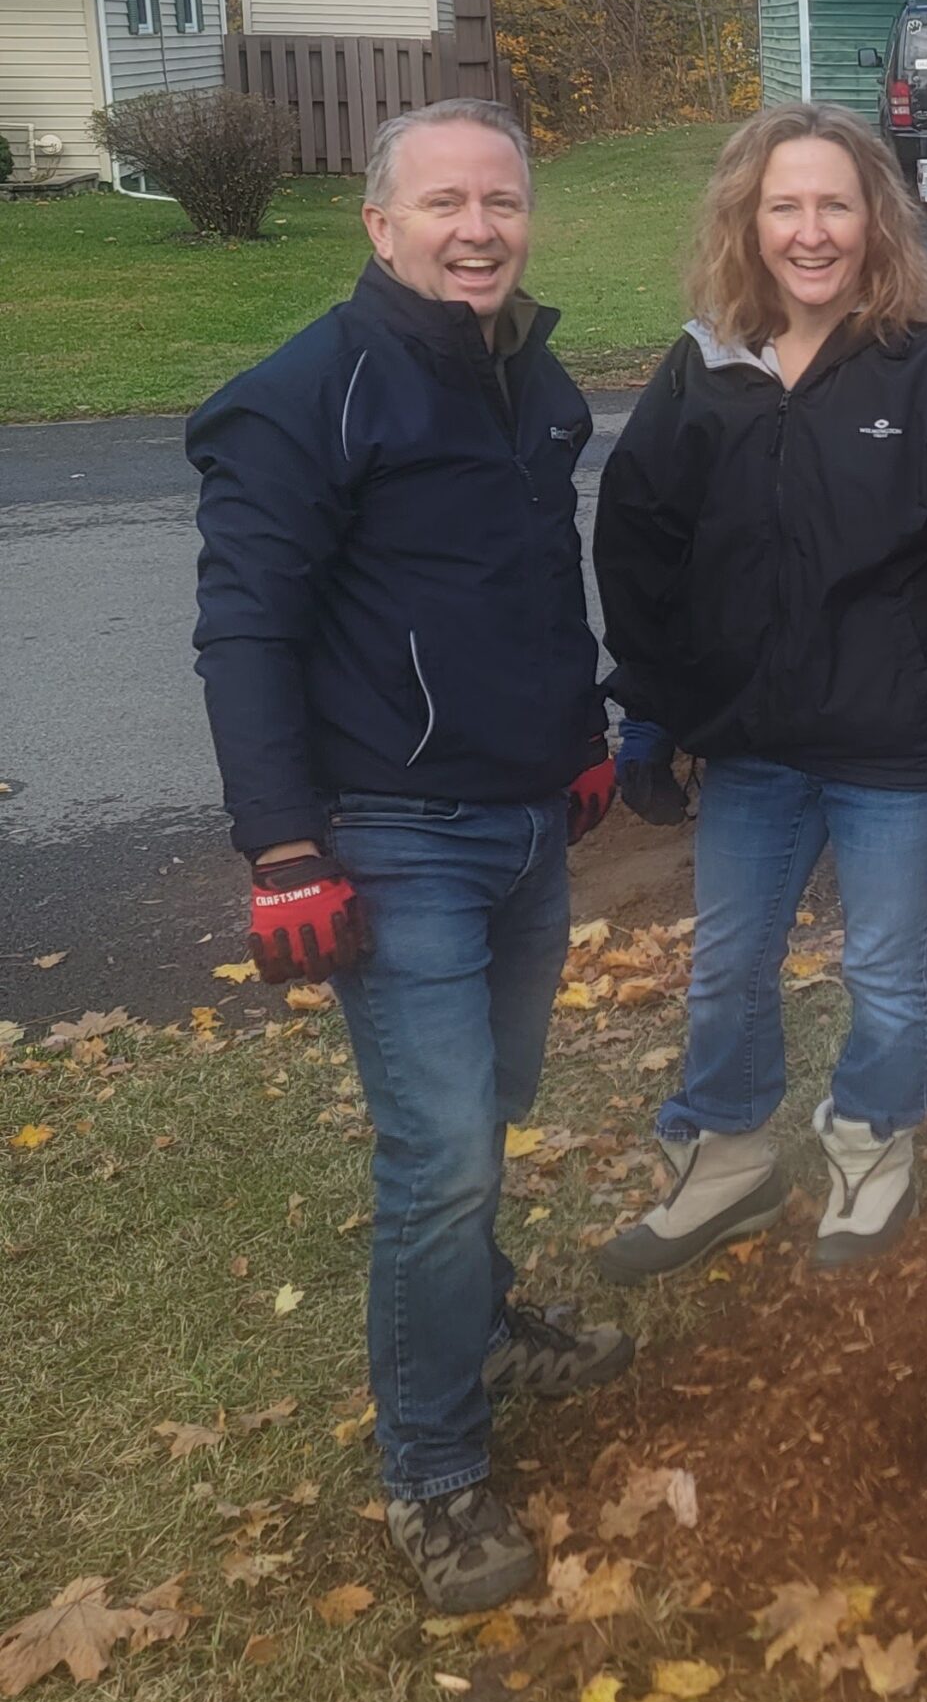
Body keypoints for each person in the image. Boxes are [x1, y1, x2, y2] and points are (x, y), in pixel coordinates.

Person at [188, 97, 628, 1614]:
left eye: (500, 201)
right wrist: (284, 850)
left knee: (490, 1114)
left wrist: (579, 732)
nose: (478, 227)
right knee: (438, 1152)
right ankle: (434, 1474)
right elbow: (244, 628)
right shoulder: (307, 397)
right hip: (389, 836)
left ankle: (482, 1311)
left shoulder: (531, 379)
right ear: (379, 225)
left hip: (525, 825)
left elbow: (531, 586)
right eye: (442, 202)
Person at [592, 104, 927, 1282]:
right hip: (752, 744)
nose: (811, 231)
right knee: (726, 968)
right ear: (748, 224)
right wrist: (649, 709)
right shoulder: (707, 366)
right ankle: (729, 1158)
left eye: (835, 204)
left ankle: (870, 1145)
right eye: (784, 206)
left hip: (896, 749)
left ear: (875, 220)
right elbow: (640, 544)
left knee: (886, 975)